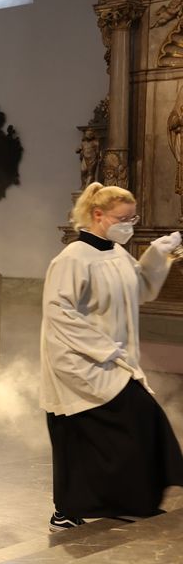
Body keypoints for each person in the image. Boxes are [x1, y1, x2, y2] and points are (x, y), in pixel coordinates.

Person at [40, 183, 183, 531]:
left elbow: (142, 290)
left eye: (133, 218)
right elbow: (59, 312)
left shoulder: (116, 253)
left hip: (113, 360)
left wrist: (157, 254)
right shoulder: (72, 258)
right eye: (122, 218)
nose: (128, 225)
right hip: (80, 362)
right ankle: (67, 511)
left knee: (136, 429)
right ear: (97, 215)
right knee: (85, 434)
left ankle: (127, 502)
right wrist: (104, 349)